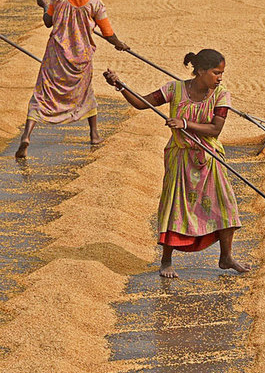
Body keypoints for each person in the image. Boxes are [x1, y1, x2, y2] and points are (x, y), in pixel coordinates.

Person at [103, 49, 247, 278]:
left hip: (209, 157)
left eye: (221, 73)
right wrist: (120, 85)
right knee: (175, 205)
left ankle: (226, 257)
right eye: (216, 73)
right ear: (201, 71)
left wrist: (185, 123)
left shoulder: (221, 95)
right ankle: (166, 260)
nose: (220, 78)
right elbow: (142, 103)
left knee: (225, 204)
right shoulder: (175, 89)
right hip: (180, 156)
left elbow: (215, 129)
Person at [15, 0, 128, 158]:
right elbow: (108, 33)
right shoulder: (95, 3)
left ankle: (26, 135)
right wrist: (120, 44)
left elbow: (48, 21)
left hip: (56, 55)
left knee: (42, 93)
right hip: (80, 59)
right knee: (86, 93)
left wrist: (45, 7)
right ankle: (94, 135)